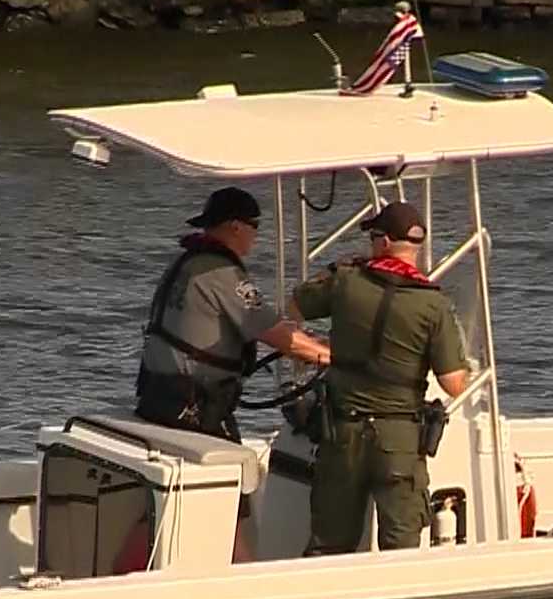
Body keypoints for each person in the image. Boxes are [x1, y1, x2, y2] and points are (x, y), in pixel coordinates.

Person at [291, 201, 471, 554]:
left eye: (373, 238)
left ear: (384, 242)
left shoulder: (345, 281)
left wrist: (324, 351)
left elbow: (293, 308)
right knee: (400, 549)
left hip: (343, 434)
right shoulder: (433, 304)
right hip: (399, 440)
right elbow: (454, 383)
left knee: (329, 546)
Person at [136, 186, 330, 443]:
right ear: (236, 227)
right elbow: (280, 337)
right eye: (256, 227)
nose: (257, 236)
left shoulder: (187, 262)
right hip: (191, 409)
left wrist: (311, 343)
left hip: (157, 396)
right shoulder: (220, 273)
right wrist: (333, 357)